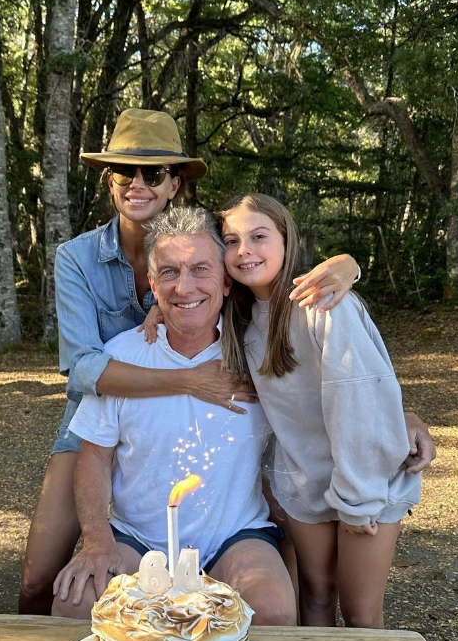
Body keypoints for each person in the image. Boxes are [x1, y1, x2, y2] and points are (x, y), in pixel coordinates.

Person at [19, 109, 361, 614]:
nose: (139, 183)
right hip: (100, 403)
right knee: (42, 578)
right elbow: (85, 370)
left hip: (215, 489)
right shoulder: (77, 257)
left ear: (174, 183)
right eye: (125, 171)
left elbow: (277, 288)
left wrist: (346, 264)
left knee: (272, 592)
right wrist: (189, 380)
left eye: (153, 173)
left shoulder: (225, 284)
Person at [52, 207, 297, 624]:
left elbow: (330, 389)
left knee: (271, 609)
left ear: (225, 278)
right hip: (138, 539)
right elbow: (94, 456)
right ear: (152, 284)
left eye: (200, 269)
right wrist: (96, 541)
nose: (184, 287)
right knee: (73, 606)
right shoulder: (123, 357)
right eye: (168, 272)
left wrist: (402, 417)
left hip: (233, 538)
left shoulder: (258, 353)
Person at [219, 193, 424, 628]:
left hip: (364, 482)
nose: (244, 251)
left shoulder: (323, 304)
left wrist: (356, 499)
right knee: (313, 596)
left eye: (258, 236)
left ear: (286, 239)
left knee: (361, 612)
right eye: (231, 240)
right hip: (306, 481)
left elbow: (359, 402)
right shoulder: (240, 318)